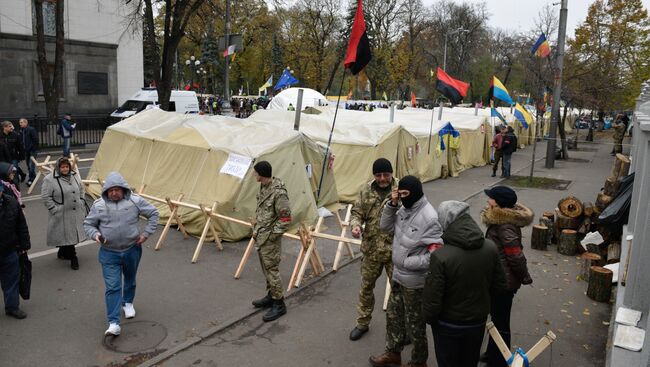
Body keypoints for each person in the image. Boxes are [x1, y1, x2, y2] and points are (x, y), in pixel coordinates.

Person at [369, 175, 443, 367]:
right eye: (399, 194)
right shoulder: (402, 209)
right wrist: (392, 204)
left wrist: (408, 262)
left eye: (405, 194)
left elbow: (435, 255)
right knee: (393, 316)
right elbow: (384, 227)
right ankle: (393, 353)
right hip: (397, 276)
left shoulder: (430, 217)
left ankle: (419, 361)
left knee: (415, 324)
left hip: (415, 282)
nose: (402, 197)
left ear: (416, 193)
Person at [422, 200, 506, 367]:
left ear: (446, 221)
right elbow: (500, 287)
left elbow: (433, 299)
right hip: (477, 322)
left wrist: (431, 319)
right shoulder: (490, 248)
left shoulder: (441, 256)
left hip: (448, 324)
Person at [83, 172, 159, 336]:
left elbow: (154, 213)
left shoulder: (135, 201)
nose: (114, 193)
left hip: (132, 249)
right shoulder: (99, 205)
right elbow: (89, 224)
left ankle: (128, 303)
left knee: (130, 279)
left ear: (124, 189)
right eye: (111, 190)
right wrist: (96, 235)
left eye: (117, 189)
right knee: (113, 287)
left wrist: (146, 234)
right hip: (109, 253)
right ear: (106, 191)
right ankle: (114, 323)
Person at [480, 186, 534, 367]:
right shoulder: (501, 222)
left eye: (491, 199)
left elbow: (515, 255)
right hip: (499, 279)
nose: (488, 201)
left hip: (503, 282)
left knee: (501, 322)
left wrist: (524, 276)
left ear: (499, 203)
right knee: (496, 320)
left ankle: (499, 360)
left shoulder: (504, 226)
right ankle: (492, 353)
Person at [349, 158, 398, 341]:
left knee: (399, 292)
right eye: (379, 175)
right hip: (371, 250)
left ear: (391, 173)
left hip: (395, 251)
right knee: (366, 288)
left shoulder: (401, 189)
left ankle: (403, 327)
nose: (383, 178)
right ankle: (362, 323)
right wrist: (355, 225)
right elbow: (356, 212)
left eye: (386, 174)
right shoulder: (366, 190)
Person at [250, 161, 292, 322]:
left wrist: (272, 236)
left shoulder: (278, 193)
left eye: (255, 172)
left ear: (261, 173)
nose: (254, 175)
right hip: (261, 237)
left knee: (272, 270)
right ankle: (272, 296)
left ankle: (279, 304)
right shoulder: (264, 187)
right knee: (267, 270)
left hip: (269, 239)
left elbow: (286, 218)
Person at [41, 157, 87, 270]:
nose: (65, 169)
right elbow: (46, 197)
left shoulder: (75, 175)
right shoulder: (49, 179)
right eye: (62, 167)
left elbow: (81, 188)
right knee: (69, 236)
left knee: (70, 235)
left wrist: (81, 200)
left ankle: (62, 252)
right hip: (61, 213)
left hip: (76, 212)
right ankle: (73, 258)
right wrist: (54, 209)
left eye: (67, 166)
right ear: (58, 168)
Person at [0, 184, 31, 319]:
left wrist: (24, 245)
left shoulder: (12, 202)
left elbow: (21, 225)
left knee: (12, 280)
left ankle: (12, 307)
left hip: (9, 250)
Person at [19, 118, 38, 186]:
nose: (20, 124)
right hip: (26, 151)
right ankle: (34, 176)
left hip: (32, 151)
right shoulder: (22, 130)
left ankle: (31, 179)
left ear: (26, 123)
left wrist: (31, 149)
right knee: (28, 166)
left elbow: (35, 140)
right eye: (20, 122)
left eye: (21, 122)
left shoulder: (31, 129)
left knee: (31, 165)